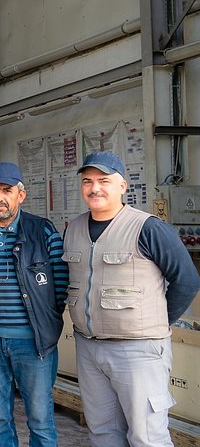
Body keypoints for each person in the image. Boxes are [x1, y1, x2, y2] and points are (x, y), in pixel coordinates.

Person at [64, 151, 200, 447]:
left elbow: (187, 280)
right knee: (102, 433)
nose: (94, 188)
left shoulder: (148, 228)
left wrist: (156, 323)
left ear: (122, 185)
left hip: (138, 352)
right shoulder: (72, 228)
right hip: (89, 348)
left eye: (104, 180)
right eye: (87, 181)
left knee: (147, 437)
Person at [0, 162, 68, 447]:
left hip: (32, 343)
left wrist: (42, 324)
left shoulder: (42, 230)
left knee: (40, 419)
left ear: (21, 194)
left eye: (6, 190)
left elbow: (59, 285)